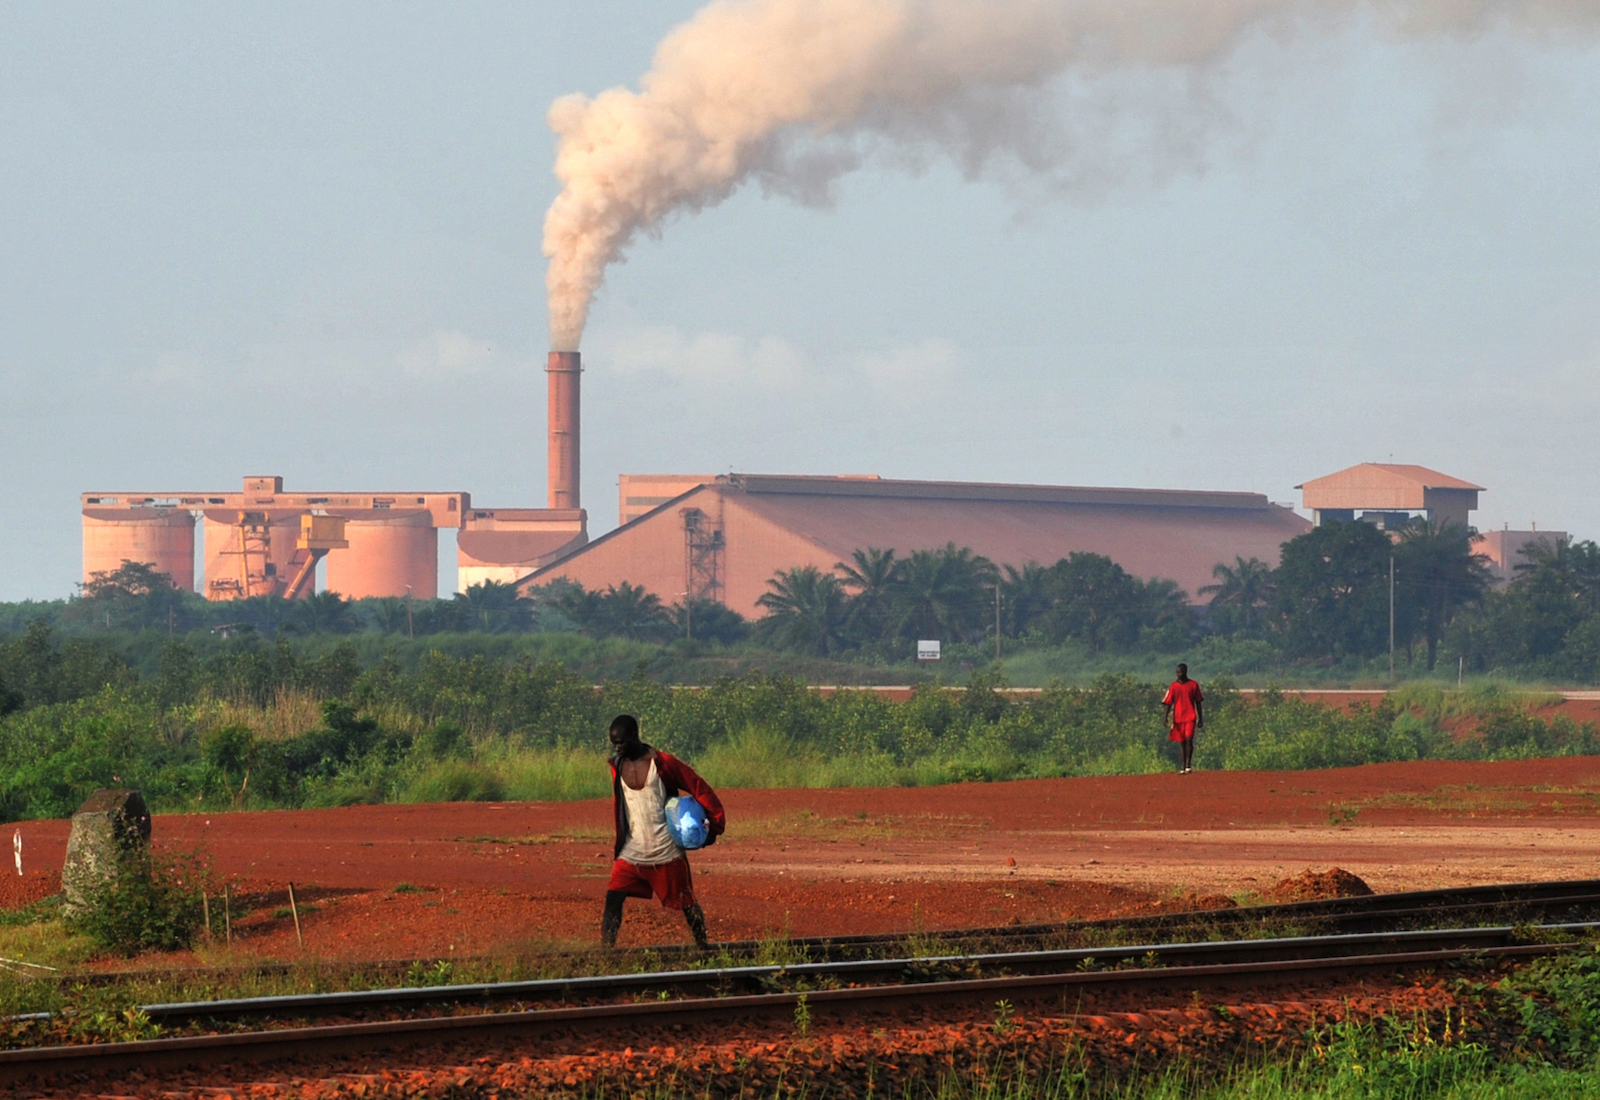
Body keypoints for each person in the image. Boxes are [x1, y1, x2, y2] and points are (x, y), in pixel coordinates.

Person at [601, 713, 726, 949]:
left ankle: (704, 949)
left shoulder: (664, 764)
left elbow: (698, 787)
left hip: (666, 852)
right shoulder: (617, 766)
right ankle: (605, 953)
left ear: (635, 737)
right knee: (613, 899)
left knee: (687, 903)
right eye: (614, 744)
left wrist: (713, 827)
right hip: (631, 851)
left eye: (621, 742)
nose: (617, 748)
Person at [1161, 663, 1204, 774]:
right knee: (1181, 742)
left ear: (1185, 672)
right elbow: (1168, 703)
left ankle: (1188, 765)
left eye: (1181, 672)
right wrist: (1165, 717)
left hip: (1190, 716)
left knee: (1189, 740)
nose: (1179, 674)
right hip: (1178, 718)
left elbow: (1198, 702)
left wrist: (1201, 718)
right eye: (1177, 672)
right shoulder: (1173, 686)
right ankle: (1183, 765)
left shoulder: (1193, 685)